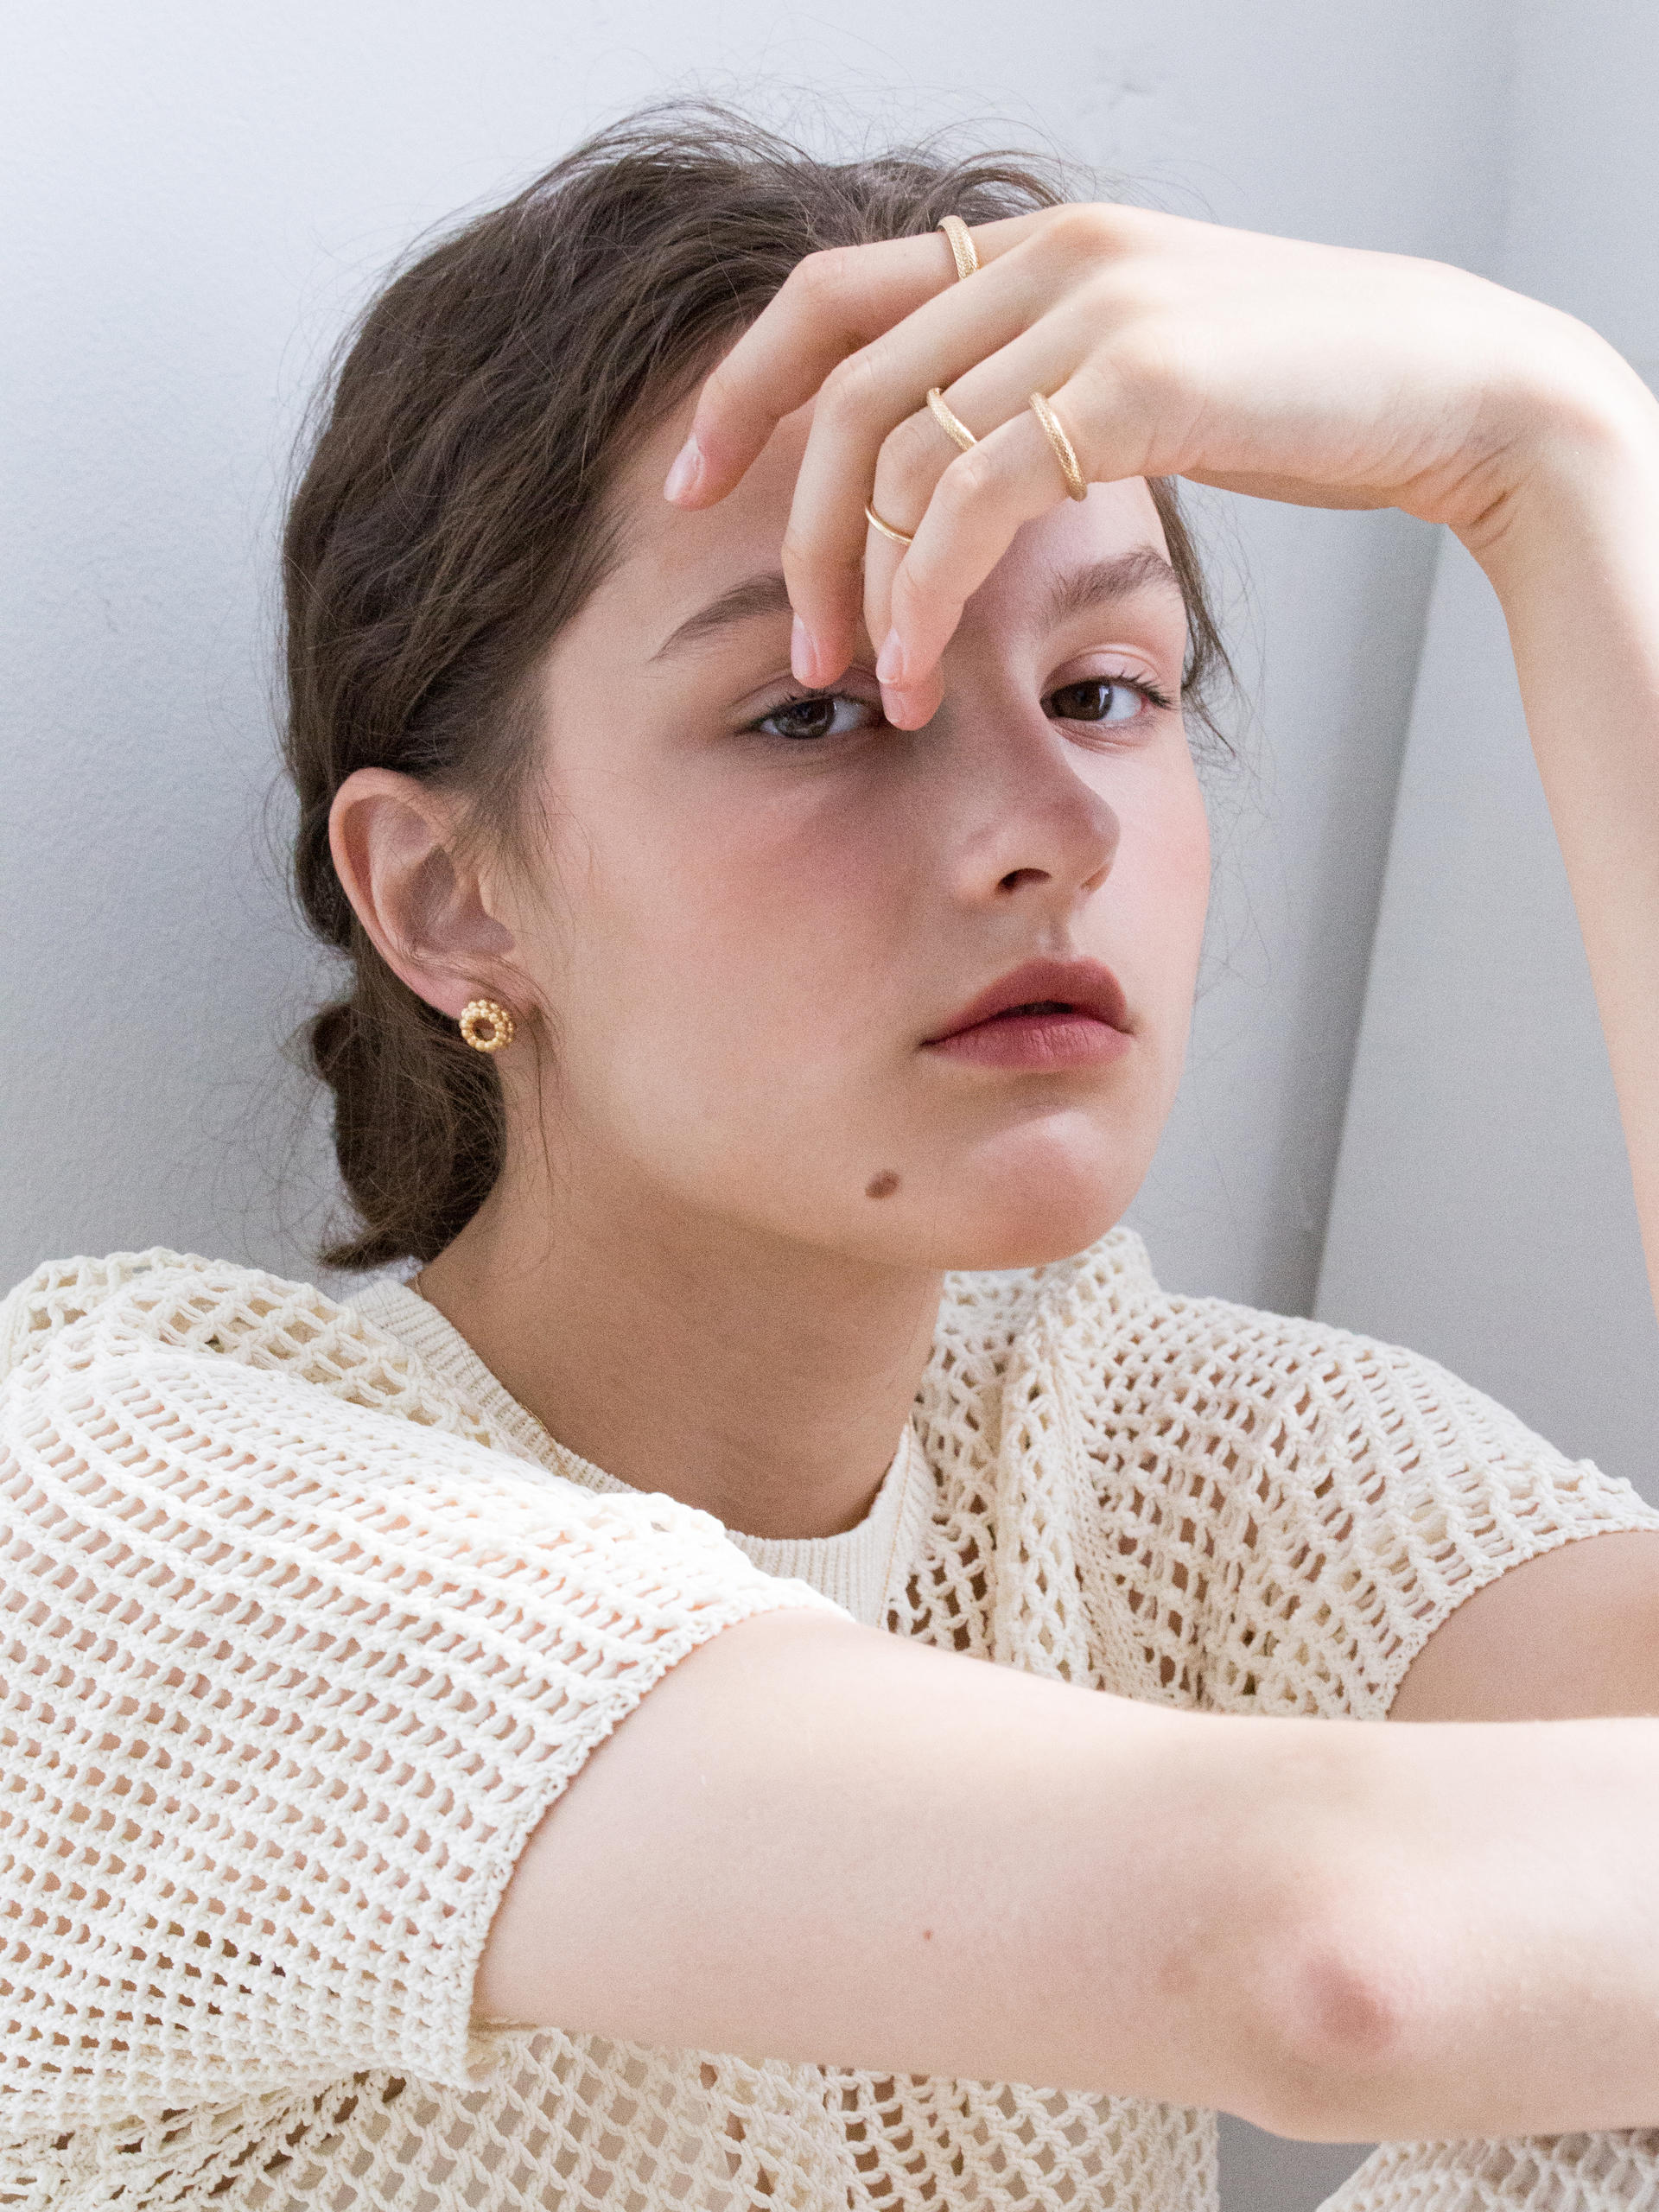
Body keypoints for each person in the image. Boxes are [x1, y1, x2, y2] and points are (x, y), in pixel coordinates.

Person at [4, 102, 1659, 2212]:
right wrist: (1537, 440)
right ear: (447, 897)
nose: (1048, 827)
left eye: (1106, 686)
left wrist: (1568, 479)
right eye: (813, 710)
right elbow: (1337, 1957)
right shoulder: (125, 1516)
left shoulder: (1155, 1459)